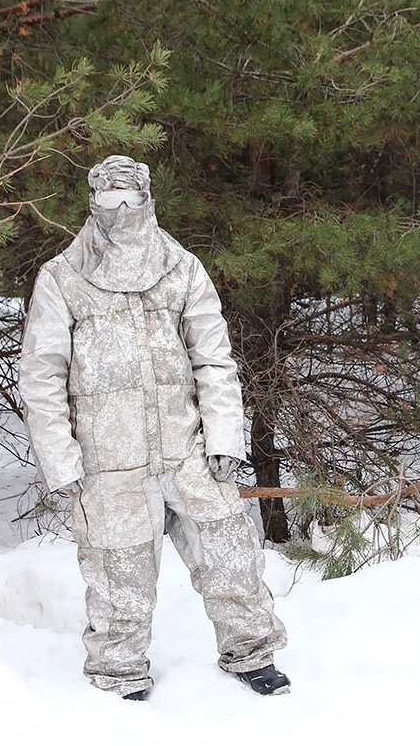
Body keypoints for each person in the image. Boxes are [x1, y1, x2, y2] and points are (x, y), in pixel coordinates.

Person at [18, 154, 289, 698]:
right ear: (93, 203)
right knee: (118, 575)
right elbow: (41, 376)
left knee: (230, 553)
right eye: (109, 199)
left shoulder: (181, 268)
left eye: (130, 199)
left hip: (187, 450)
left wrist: (223, 436)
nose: (120, 210)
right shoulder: (63, 278)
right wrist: (61, 461)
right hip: (107, 461)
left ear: (147, 200)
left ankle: (250, 652)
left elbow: (214, 359)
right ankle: (119, 671)